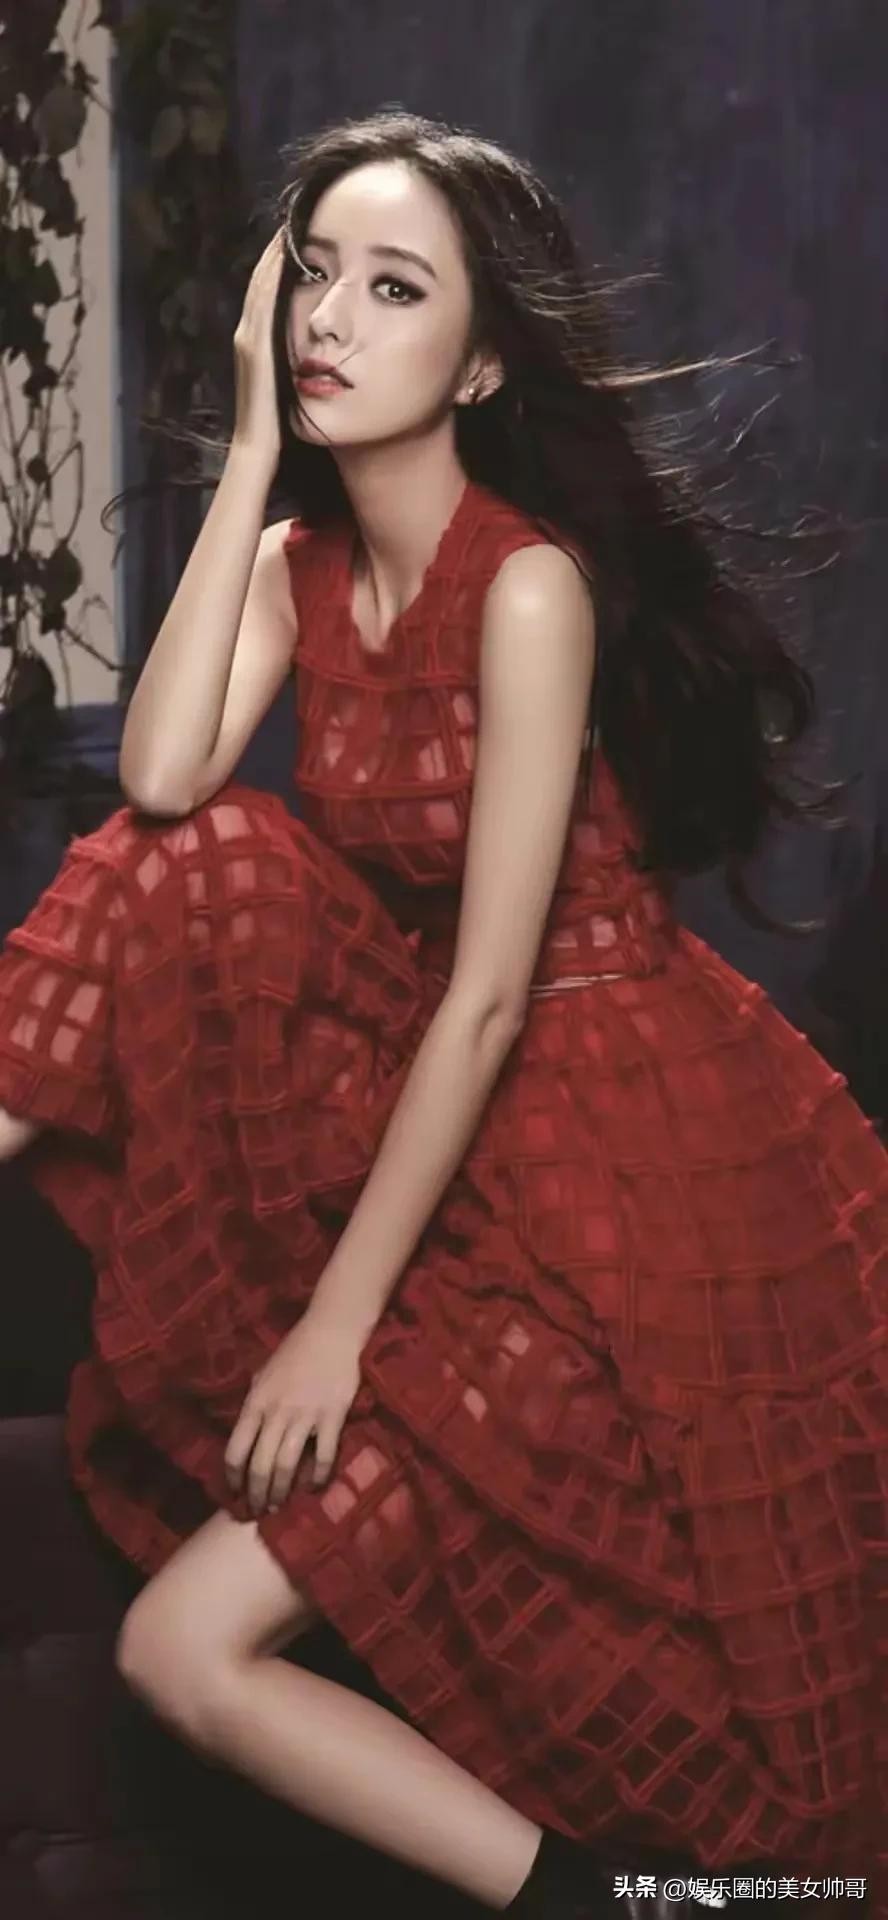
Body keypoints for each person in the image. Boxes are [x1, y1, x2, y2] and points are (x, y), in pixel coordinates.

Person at [0, 107, 884, 1920]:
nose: (331, 316)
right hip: (424, 1106)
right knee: (193, 853)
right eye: (313, 275)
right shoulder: (296, 562)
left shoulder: (530, 585)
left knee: (187, 1649)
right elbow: (159, 780)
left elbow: (492, 997)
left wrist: (333, 1333)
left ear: (483, 364)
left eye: (395, 289)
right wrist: (252, 451)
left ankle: (663, 1903)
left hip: (618, 1153)